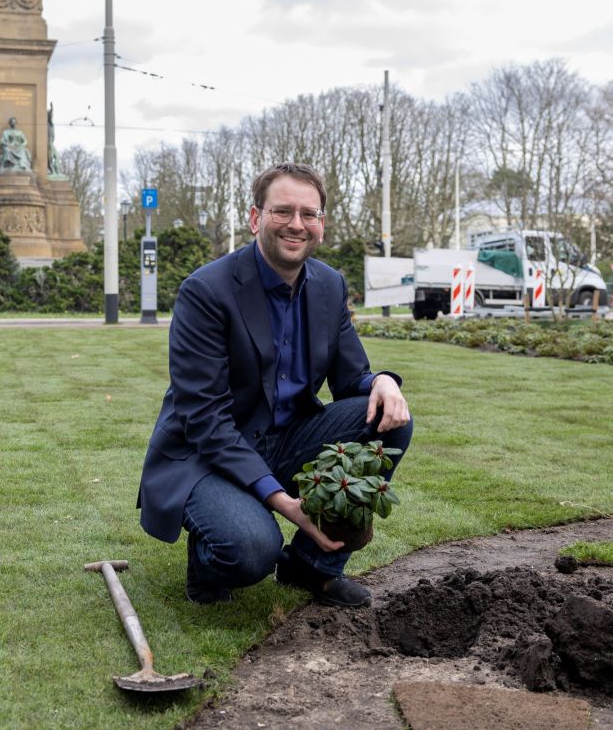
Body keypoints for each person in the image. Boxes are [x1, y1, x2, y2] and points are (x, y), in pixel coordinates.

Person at [138, 163, 412, 607]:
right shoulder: (205, 292)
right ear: (255, 218)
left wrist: (382, 381)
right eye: (282, 211)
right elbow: (204, 418)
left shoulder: (328, 285)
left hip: (286, 439)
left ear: (321, 223)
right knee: (251, 550)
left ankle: (311, 568)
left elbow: (349, 379)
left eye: (310, 214)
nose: (297, 225)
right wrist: (284, 502)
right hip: (207, 454)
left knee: (389, 419)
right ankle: (210, 563)